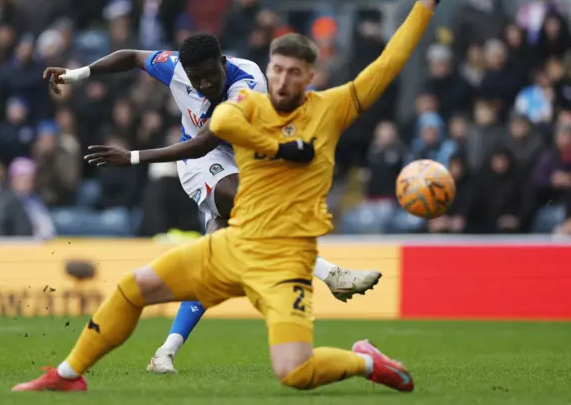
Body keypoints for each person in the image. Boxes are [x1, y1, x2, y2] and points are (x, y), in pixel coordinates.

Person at [12, 0, 450, 393]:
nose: (279, 79)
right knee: (136, 285)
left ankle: (365, 359)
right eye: (276, 69)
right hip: (217, 180)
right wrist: (77, 74)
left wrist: (425, 6)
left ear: (309, 78)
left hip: (282, 254)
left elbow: (389, 64)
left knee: (294, 372)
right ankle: (68, 376)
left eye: (292, 73)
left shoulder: (310, 103)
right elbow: (140, 67)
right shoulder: (205, 84)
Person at [44, 32, 382, 374]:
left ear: (223, 63)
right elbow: (132, 56)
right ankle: (329, 273)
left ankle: (165, 352)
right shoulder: (174, 67)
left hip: (233, 155)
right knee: (249, 205)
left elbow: (207, 140)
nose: (205, 83)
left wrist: (131, 157)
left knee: (214, 258)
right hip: (199, 164)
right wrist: (79, 74)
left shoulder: (246, 84)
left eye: (211, 75)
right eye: (197, 79)